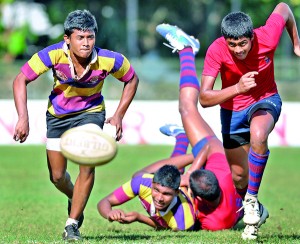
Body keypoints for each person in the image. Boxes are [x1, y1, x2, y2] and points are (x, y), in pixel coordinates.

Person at [12, 9, 139, 241]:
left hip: (91, 113)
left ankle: (72, 224)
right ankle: (75, 198)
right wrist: (23, 117)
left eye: (90, 37)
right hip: (58, 116)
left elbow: (131, 78)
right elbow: (21, 78)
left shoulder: (110, 59)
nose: (86, 43)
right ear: (67, 39)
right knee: (57, 177)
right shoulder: (51, 55)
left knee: (87, 165)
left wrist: (119, 115)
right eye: (80, 38)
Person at [156, 20, 270, 239]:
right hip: (214, 154)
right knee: (187, 108)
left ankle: (181, 135)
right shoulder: (214, 222)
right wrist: (190, 173)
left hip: (220, 160)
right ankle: (185, 50)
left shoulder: (216, 219)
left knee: (187, 114)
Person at [97, 164, 196, 231]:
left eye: (166, 194)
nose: (159, 198)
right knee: (137, 174)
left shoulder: (183, 220)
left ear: (176, 192)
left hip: (194, 200)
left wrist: (139, 217)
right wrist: (109, 213)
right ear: (152, 184)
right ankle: (181, 138)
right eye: (156, 190)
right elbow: (105, 201)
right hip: (175, 184)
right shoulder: (141, 183)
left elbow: (165, 228)